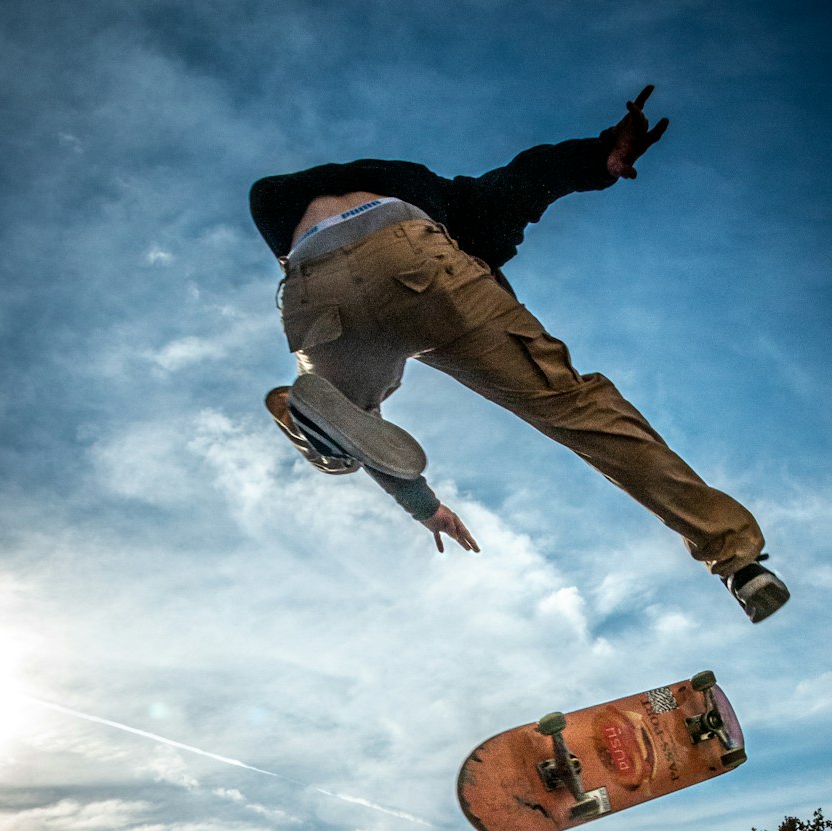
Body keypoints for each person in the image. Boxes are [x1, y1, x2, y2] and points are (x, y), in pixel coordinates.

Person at [250, 86, 788, 625]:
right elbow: (526, 180)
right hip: (416, 260)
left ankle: (312, 427)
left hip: (312, 289)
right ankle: (737, 559)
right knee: (576, 409)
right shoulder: (443, 197)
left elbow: (267, 195)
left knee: (347, 430)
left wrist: (424, 507)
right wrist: (602, 155)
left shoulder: (276, 199)